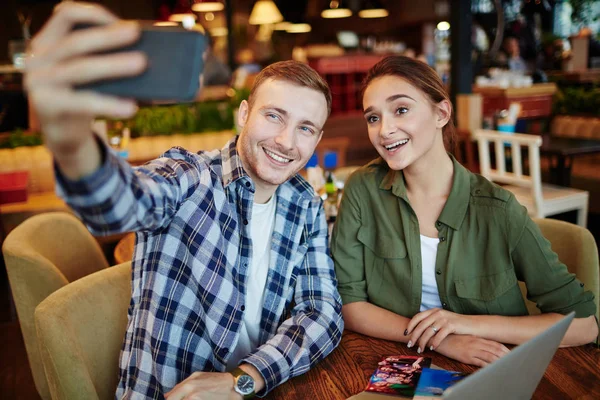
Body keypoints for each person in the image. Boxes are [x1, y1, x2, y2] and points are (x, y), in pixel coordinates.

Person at [24, 2, 343, 399]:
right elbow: (119, 202)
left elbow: (322, 313)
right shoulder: (191, 176)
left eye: (305, 128)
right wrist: (73, 137)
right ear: (244, 114)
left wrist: (243, 379)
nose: (286, 142)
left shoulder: (304, 203)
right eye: (274, 116)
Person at [331, 55, 598, 368]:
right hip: (398, 361)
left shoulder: (499, 210)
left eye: (401, 109)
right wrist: (443, 339)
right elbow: (349, 303)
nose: (384, 130)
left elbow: (584, 324)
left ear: (441, 113)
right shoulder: (362, 188)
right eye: (373, 118)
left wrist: (463, 323)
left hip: (493, 368)